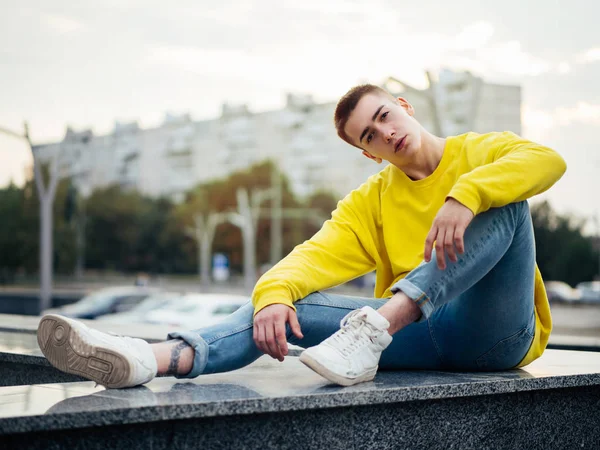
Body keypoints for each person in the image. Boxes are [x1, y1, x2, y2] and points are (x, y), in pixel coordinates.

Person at [37, 84, 566, 389]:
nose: (385, 133)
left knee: (508, 203)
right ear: (368, 153)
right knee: (280, 306)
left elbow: (547, 160)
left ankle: (377, 328)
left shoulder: (480, 151)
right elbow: (313, 255)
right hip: (417, 336)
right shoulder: (372, 200)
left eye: (384, 116)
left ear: (404, 106)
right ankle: (146, 359)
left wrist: (466, 195)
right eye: (370, 136)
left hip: (495, 333)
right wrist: (272, 295)